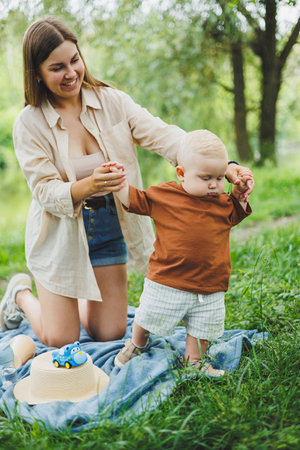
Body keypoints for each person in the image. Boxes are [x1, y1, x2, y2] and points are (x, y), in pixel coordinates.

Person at [0, 17, 254, 348]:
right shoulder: (29, 123)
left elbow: (167, 137)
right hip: (61, 238)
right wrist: (89, 185)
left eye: (75, 60)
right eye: (57, 67)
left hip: (108, 230)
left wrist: (228, 166)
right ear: (37, 73)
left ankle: (67, 301)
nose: (71, 72)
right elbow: (46, 192)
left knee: (109, 333)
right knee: (59, 338)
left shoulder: (112, 102)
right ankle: (20, 294)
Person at [112, 130, 252, 376]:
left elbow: (236, 214)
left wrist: (240, 195)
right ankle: (136, 343)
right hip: (168, 279)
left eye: (220, 178)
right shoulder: (166, 195)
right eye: (206, 177)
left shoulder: (222, 202)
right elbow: (135, 201)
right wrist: (120, 184)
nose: (214, 184)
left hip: (210, 284)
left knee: (203, 327)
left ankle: (194, 361)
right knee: (148, 316)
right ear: (181, 173)